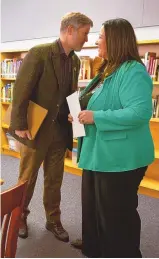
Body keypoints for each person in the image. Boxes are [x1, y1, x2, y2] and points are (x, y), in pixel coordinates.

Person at [69, 18, 154, 257]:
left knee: (116, 214)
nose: (96, 40)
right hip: (98, 153)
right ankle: (95, 246)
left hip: (121, 158)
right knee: (94, 206)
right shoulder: (106, 69)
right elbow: (95, 102)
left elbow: (139, 112)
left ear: (115, 40)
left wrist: (95, 117)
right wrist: (79, 115)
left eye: (101, 36)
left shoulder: (133, 70)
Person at [10, 12, 93, 242]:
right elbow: (21, 90)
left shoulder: (75, 61)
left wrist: (77, 124)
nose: (87, 39)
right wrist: (19, 125)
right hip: (35, 129)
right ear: (70, 30)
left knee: (55, 179)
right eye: (85, 33)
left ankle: (53, 220)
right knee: (27, 178)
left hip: (59, 132)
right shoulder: (39, 53)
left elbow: (72, 94)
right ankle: (19, 218)